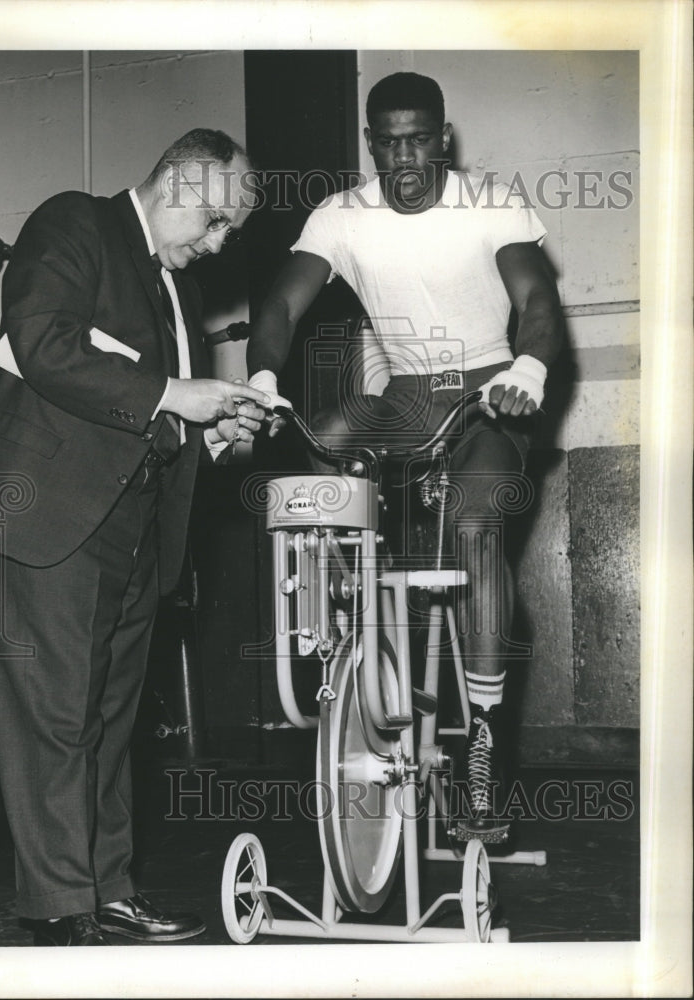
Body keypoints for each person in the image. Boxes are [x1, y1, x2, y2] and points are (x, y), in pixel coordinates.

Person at [0, 128, 272, 945]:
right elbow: (45, 345)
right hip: (44, 517)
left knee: (111, 725)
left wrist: (211, 428)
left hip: (131, 528)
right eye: (219, 221)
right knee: (55, 721)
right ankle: (58, 909)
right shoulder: (73, 225)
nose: (220, 243)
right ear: (182, 182)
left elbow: (154, 412)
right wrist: (176, 392)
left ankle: (110, 889)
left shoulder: (175, 288)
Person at [245, 73, 565, 842]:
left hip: (488, 387)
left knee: (476, 527)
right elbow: (283, 302)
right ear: (368, 142)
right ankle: (343, 630)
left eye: (418, 138)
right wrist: (260, 376)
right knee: (321, 438)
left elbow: (537, 302)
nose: (404, 157)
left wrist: (528, 370)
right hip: (403, 396)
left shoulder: (490, 202)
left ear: (442, 136)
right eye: (386, 142)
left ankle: (482, 740)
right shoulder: (342, 216)